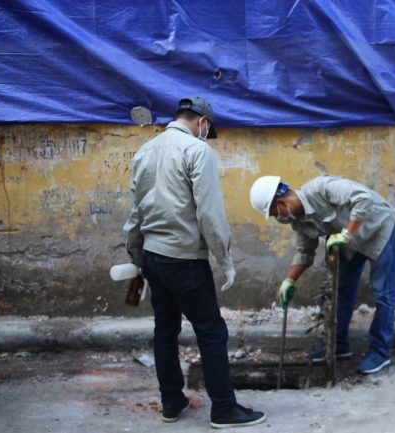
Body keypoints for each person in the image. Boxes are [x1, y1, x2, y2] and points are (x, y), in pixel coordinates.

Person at [124, 96, 266, 429]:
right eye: (207, 130)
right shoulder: (197, 151)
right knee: (212, 333)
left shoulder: (144, 151)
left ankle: (172, 402)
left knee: (165, 331)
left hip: (153, 257)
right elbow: (210, 214)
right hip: (184, 259)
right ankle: (224, 409)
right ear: (202, 122)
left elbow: (134, 214)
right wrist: (225, 260)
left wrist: (136, 257)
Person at [249, 175, 395, 374]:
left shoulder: (321, 188)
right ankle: (338, 345)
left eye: (274, 213)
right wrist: (289, 280)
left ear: (281, 203)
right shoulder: (300, 222)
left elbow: (364, 199)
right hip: (350, 242)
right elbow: (304, 252)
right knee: (341, 291)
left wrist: (346, 233)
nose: (278, 218)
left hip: (378, 228)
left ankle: (380, 352)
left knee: (383, 293)